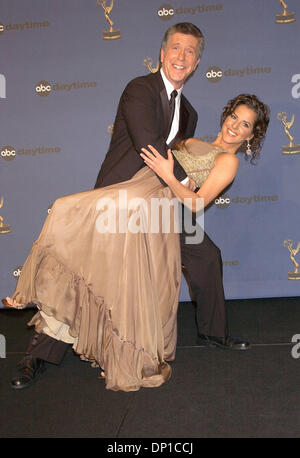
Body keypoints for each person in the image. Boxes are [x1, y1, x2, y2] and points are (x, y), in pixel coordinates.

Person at [3, 93, 269, 393]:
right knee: (91, 269)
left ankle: (211, 334)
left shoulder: (228, 161)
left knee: (206, 257)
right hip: (142, 205)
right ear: (226, 114)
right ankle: (38, 356)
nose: (235, 125)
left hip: (171, 215)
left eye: (245, 124)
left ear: (251, 135)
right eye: (234, 116)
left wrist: (171, 177)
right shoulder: (192, 140)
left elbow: (194, 203)